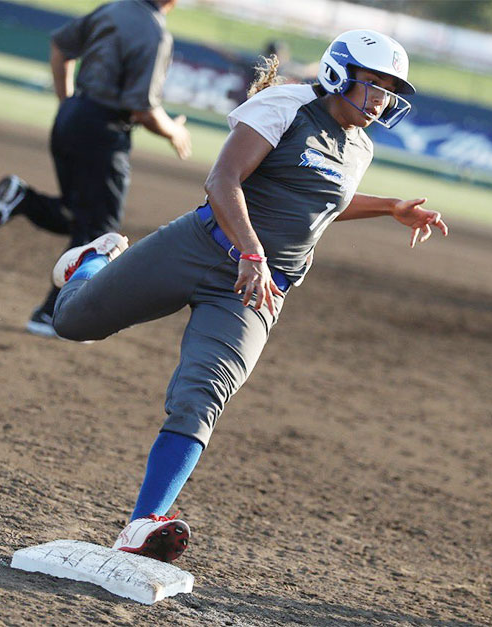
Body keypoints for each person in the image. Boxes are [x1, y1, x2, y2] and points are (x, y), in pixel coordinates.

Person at [43, 30, 447, 562]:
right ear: (338, 73)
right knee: (72, 321)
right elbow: (223, 179)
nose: (380, 99)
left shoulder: (361, 146)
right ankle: (90, 262)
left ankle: (144, 522)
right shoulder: (287, 104)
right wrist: (252, 252)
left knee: (202, 396)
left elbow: (319, 198)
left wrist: (391, 206)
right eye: (372, 83)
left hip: (257, 291)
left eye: (389, 89)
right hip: (202, 246)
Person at [0, 0, 191, 337]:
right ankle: (50, 314)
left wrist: (69, 106)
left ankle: (22, 199)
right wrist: (175, 131)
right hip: (103, 130)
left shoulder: (113, 9)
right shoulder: (154, 33)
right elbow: (141, 108)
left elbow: (60, 46)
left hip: (73, 117)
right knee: (100, 231)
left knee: (79, 216)